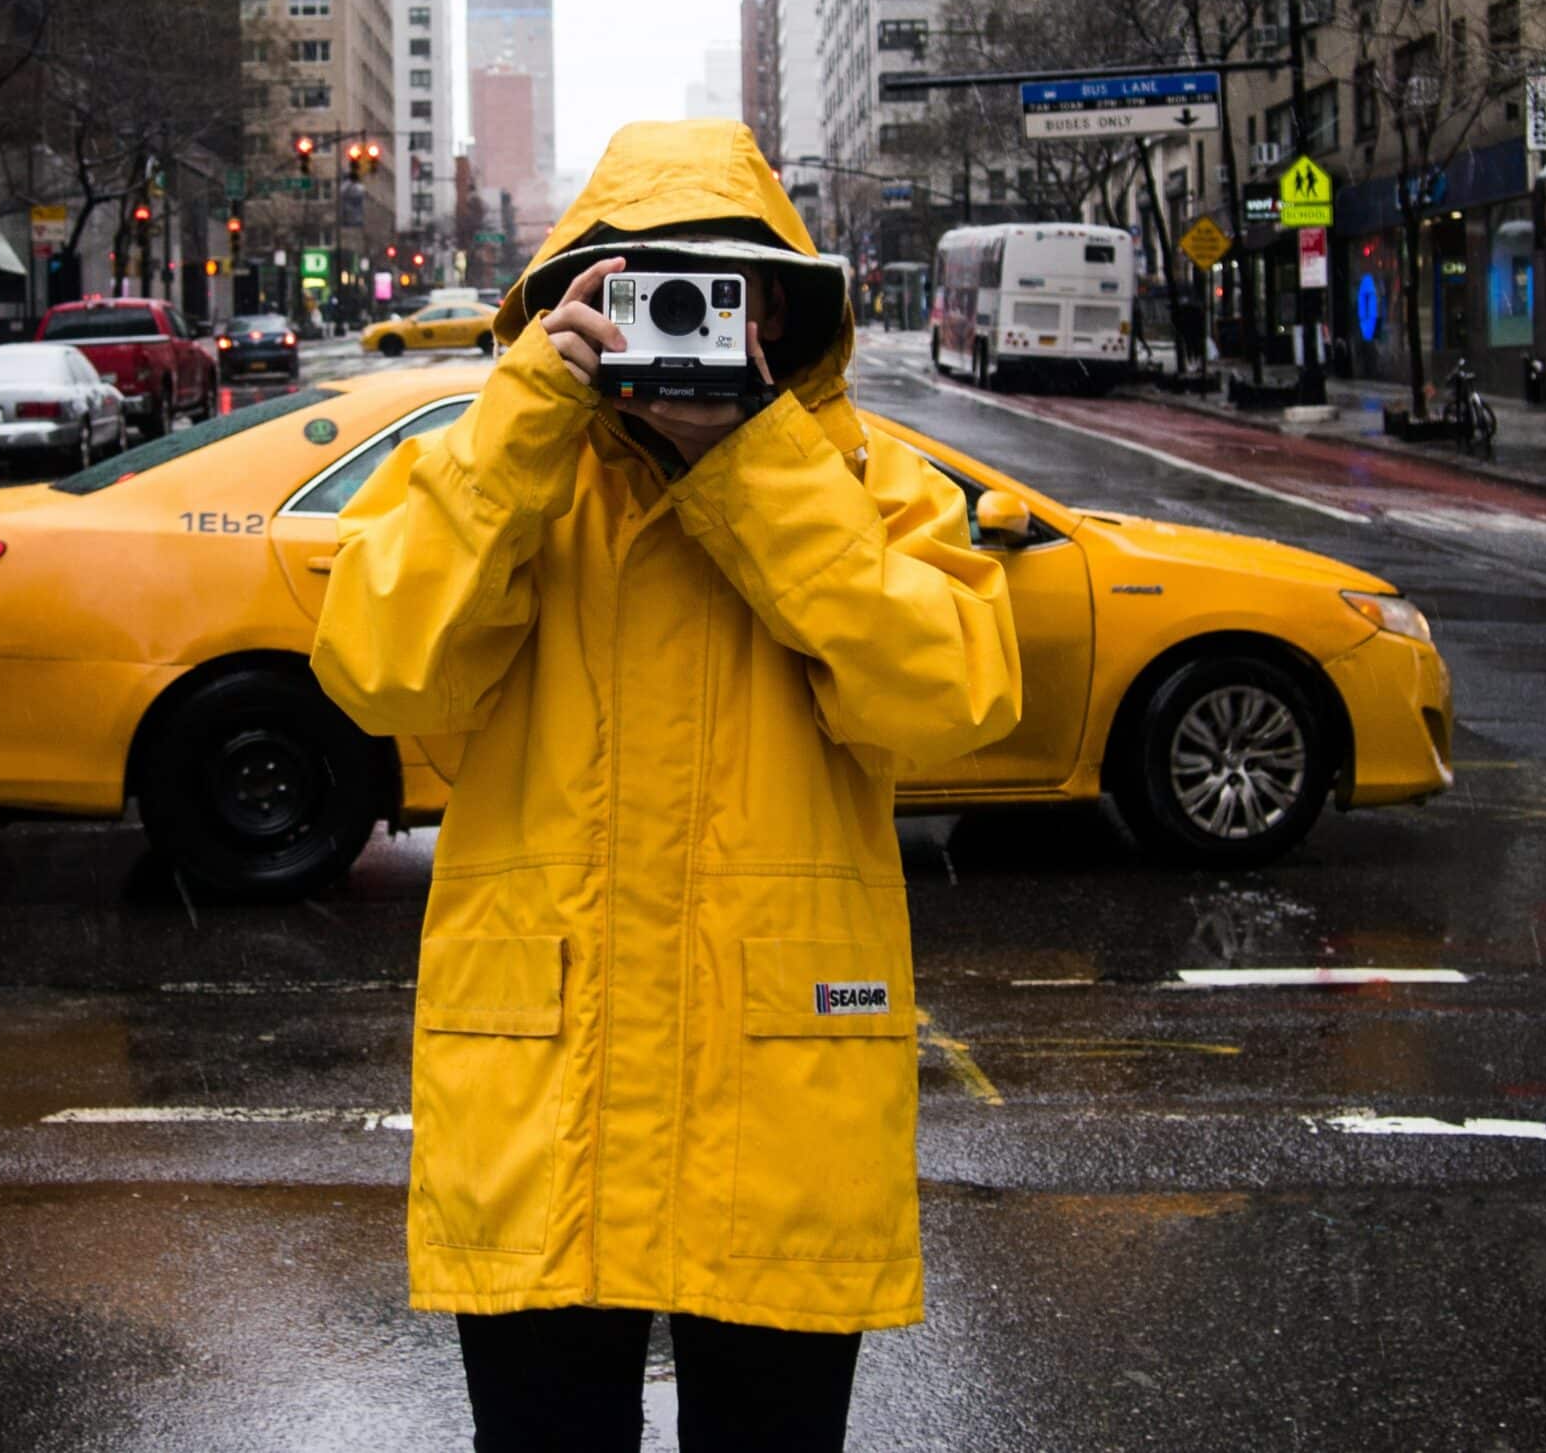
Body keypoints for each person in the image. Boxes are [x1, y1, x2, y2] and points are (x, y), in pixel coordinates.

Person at [311, 119, 1021, 1452]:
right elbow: (379, 670)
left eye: (718, 291)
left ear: (780, 315)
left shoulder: (861, 480)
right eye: (642, 289)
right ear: (575, 300)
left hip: (782, 1108)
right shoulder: (506, 468)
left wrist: (754, 467)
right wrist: (525, 415)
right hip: (541, 1102)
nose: (679, 321)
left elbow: (952, 700)